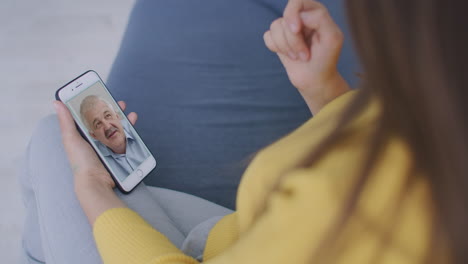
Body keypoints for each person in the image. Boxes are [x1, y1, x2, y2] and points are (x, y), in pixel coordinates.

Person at [20, 0, 468, 263]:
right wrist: (326, 91)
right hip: (234, 234)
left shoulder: (343, 209)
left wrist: (92, 188)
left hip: (222, 245)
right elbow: (372, 144)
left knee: (53, 147)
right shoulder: (438, 126)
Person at [80, 95, 150, 181]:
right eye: (98, 124)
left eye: (108, 115)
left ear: (117, 116)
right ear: (94, 136)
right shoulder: (95, 159)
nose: (107, 126)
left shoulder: (139, 129)